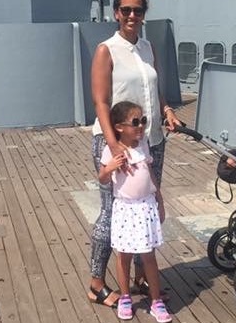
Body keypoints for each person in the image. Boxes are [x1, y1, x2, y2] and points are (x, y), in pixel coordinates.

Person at [87, 0, 181, 308]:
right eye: (125, 10)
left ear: (143, 15)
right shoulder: (106, 50)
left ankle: (142, 276)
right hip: (116, 142)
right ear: (116, 13)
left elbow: (154, 91)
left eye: (137, 10)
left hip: (151, 140)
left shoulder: (147, 48)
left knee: (146, 206)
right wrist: (114, 146)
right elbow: (100, 102)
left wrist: (167, 110)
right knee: (112, 212)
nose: (131, 15)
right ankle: (97, 282)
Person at [99, 101, 173, 322]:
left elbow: (149, 171)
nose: (141, 126)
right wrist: (110, 168)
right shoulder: (111, 150)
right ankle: (125, 297)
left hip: (145, 207)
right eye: (135, 122)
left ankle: (156, 300)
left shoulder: (143, 145)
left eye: (143, 120)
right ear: (119, 127)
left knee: (149, 256)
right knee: (124, 256)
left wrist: (159, 198)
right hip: (125, 209)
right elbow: (102, 178)